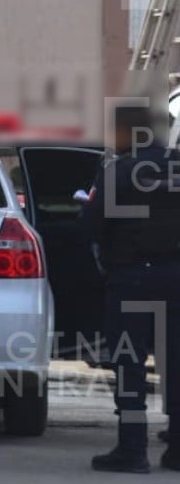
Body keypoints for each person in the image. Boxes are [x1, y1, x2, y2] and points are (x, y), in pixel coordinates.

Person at [80, 105, 180, 474]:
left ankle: (132, 450)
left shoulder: (118, 171)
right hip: (176, 276)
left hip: (132, 278)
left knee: (130, 364)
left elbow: (89, 226)